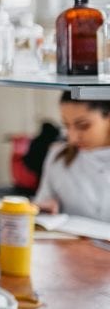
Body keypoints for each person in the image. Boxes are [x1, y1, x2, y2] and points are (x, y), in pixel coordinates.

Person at [34, 91, 110, 221]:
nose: (72, 138)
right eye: (66, 126)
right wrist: (42, 210)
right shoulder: (58, 156)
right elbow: (41, 204)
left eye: (83, 126)